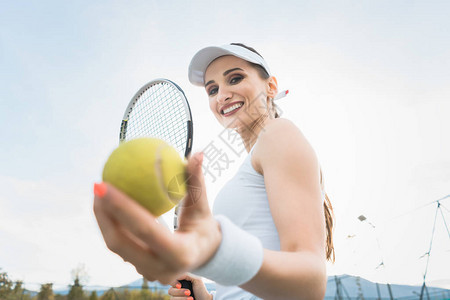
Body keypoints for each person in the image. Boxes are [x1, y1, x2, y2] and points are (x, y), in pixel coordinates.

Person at [93, 43, 334, 300]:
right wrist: (206, 296)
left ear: (271, 87)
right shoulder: (251, 165)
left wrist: (214, 254)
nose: (223, 95)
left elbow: (311, 284)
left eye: (235, 78)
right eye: (213, 89)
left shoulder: (277, 133)